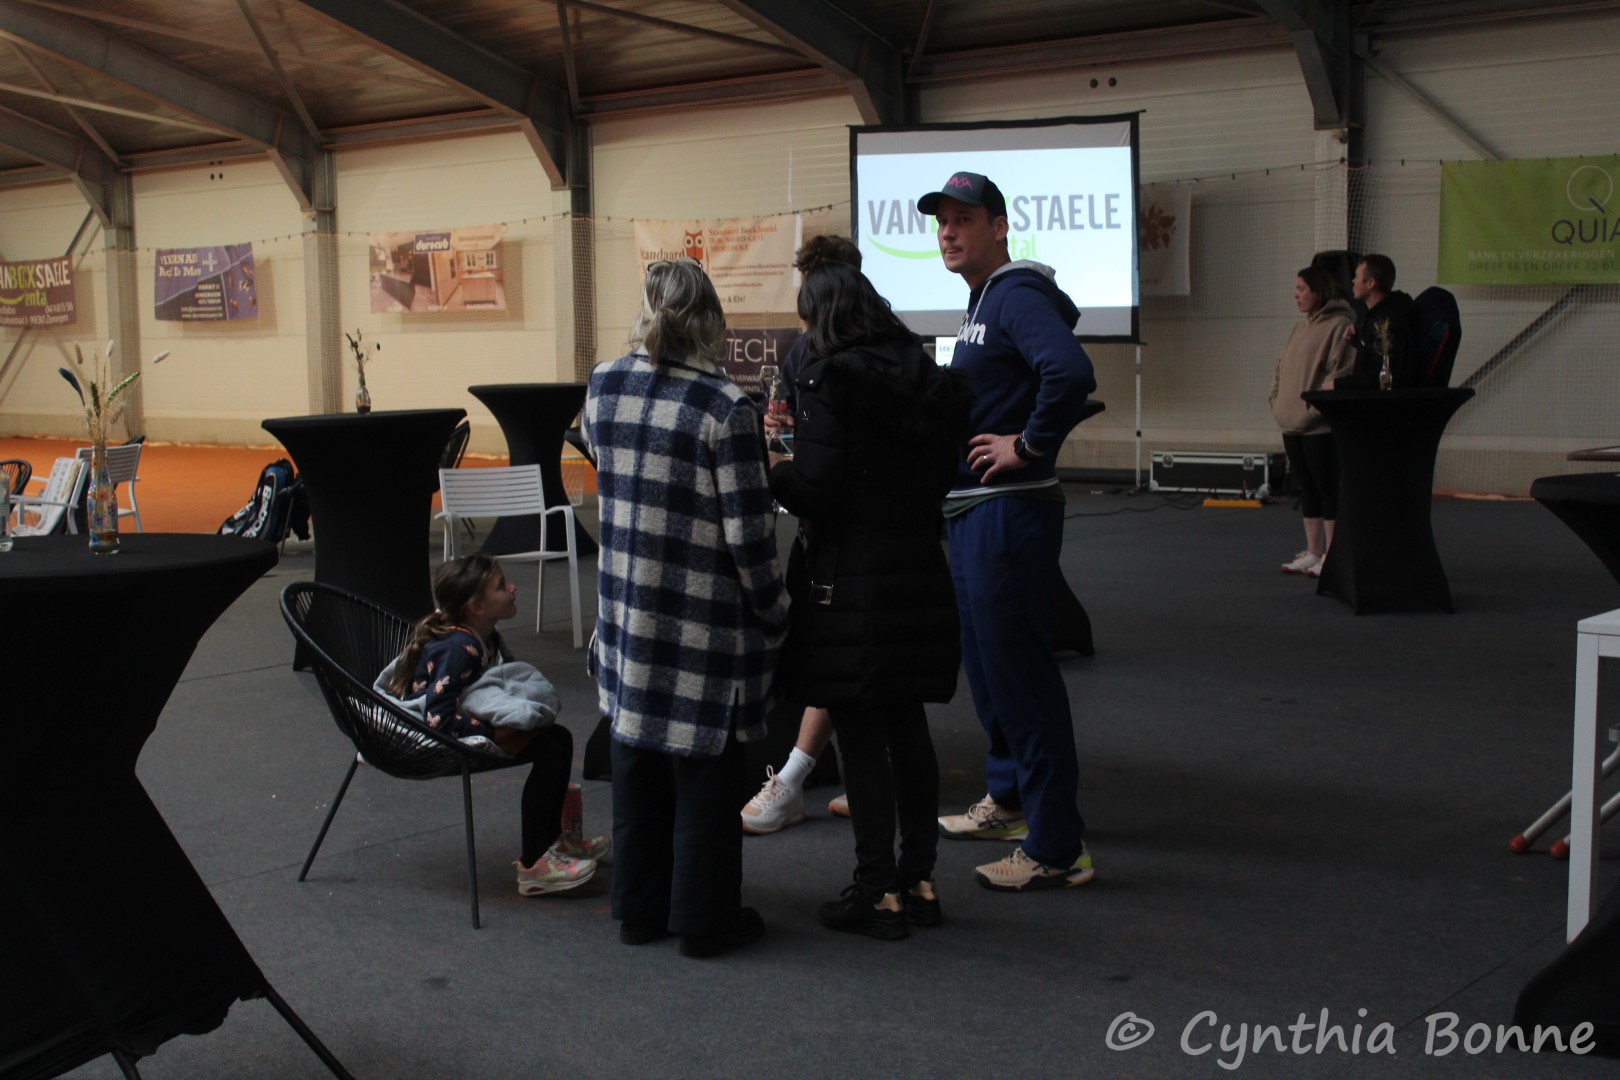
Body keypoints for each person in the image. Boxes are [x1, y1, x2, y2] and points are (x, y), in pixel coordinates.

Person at [585, 258, 790, 958]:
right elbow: (749, 537)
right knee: (706, 778)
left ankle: (639, 912)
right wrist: (775, 609)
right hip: (704, 628)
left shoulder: (604, 384)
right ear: (712, 320)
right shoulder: (726, 407)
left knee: (635, 764)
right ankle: (705, 923)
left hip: (626, 615)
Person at [766, 261, 971, 938]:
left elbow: (818, 488)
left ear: (823, 317)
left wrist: (776, 470)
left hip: (850, 578)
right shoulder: (924, 375)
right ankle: (920, 881)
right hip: (918, 568)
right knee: (909, 727)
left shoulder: (831, 379)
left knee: (859, 733)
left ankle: (876, 890)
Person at [918, 170, 1099, 892]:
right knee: (991, 671)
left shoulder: (1016, 294)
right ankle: (1012, 801)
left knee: (1021, 677)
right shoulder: (982, 300)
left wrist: (1027, 445)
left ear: (999, 227)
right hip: (974, 511)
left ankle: (1057, 848)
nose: (949, 232)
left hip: (1008, 510)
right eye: (942, 222)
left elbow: (1070, 372)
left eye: (964, 219)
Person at [385, 554, 607, 896]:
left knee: (559, 738)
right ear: (477, 607)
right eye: (502, 586)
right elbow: (437, 719)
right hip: (447, 735)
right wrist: (495, 732)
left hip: (466, 721)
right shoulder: (462, 648)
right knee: (549, 748)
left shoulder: (484, 639)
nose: (513, 588)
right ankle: (534, 865)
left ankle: (552, 843)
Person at [742, 234, 864, 836]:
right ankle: (863, 779)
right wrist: (784, 451)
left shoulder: (869, 352)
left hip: (855, 538)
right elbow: (784, 424)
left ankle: (792, 779)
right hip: (838, 531)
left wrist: (787, 469)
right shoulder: (806, 351)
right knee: (852, 659)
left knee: (843, 658)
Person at [1270, 265, 1357, 577]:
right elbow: (1280, 369)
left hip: (1318, 427)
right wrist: (1277, 404)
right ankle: (1313, 552)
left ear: (1318, 291)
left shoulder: (1340, 325)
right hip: (1290, 424)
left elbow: (1339, 374)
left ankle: (1332, 555)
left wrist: (1312, 412)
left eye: (1301, 289)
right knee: (1307, 489)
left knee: (1326, 488)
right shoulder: (1299, 328)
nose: (1296, 295)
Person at [1341, 253, 1416, 388]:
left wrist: (1338, 385)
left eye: (1357, 277)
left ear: (1370, 283)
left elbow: (1382, 379)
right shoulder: (1380, 317)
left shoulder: (1385, 323)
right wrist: (1358, 340)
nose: (1353, 281)